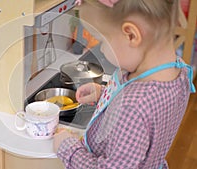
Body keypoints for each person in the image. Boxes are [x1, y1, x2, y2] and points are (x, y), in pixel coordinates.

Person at [53, 0, 196, 168]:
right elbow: (149, 120)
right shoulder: (179, 71)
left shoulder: (132, 108)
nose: (103, 51)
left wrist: (68, 149)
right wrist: (104, 93)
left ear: (131, 35)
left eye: (102, 41)